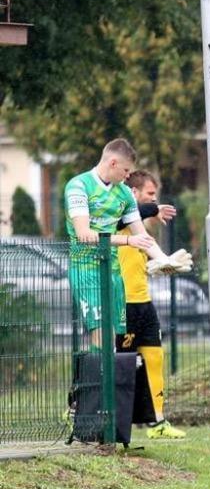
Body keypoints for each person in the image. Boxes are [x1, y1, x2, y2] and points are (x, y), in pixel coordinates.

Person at [65, 139, 184, 347]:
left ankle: (102, 369)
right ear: (113, 163)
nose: (128, 176)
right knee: (102, 335)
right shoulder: (79, 186)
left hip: (113, 272)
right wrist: (128, 240)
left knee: (113, 340)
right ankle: (97, 369)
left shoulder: (124, 193)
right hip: (86, 271)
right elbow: (84, 235)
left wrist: (164, 260)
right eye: (126, 170)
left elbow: (142, 236)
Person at [115, 171, 187, 439]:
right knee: (118, 365)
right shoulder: (118, 214)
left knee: (155, 359)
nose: (154, 199)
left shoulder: (140, 230)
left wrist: (161, 265)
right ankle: (80, 408)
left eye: (155, 195)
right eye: (150, 193)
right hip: (122, 304)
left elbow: (142, 261)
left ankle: (158, 422)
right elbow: (132, 214)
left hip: (144, 304)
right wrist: (154, 209)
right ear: (133, 193)